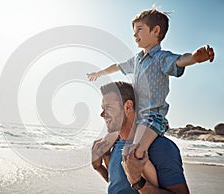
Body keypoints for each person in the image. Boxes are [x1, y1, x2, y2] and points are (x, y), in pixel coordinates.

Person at [88, 9, 214, 186]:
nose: (135, 34)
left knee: (134, 152)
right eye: (133, 31)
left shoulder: (161, 58)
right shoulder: (137, 60)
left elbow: (180, 60)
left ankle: (152, 186)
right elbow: (117, 66)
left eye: (139, 29)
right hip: (138, 119)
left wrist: (194, 57)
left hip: (153, 118)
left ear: (155, 31)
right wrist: (99, 73)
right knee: (110, 146)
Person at [92, 81, 189, 193]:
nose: (102, 114)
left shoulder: (161, 147)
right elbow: (120, 185)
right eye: (102, 108)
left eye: (108, 108)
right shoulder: (116, 143)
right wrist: (99, 168)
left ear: (128, 107)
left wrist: (138, 183)